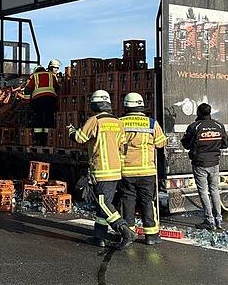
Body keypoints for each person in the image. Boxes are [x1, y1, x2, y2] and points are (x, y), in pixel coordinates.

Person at [70, 90, 136, 249]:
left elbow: (80, 138)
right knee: (103, 205)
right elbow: (122, 146)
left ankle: (125, 231)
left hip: (101, 169)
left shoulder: (95, 121)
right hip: (115, 170)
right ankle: (99, 236)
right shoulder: (118, 122)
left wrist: (71, 130)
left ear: (95, 104)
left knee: (103, 203)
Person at [119, 93, 167, 245]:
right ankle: (151, 236)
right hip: (147, 171)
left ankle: (129, 233)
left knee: (128, 202)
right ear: (141, 106)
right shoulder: (151, 124)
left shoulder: (119, 123)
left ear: (126, 106)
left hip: (126, 170)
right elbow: (160, 143)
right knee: (147, 202)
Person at [181, 102, 228, 231]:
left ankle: (209, 220)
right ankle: (219, 219)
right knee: (214, 190)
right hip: (214, 162)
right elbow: (225, 144)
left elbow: (186, 144)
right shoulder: (219, 126)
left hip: (200, 163)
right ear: (210, 112)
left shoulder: (195, 127)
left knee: (203, 191)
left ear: (198, 113)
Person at [24, 60, 60, 146]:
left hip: (38, 100)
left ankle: (39, 140)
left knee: (38, 119)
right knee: (49, 118)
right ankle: (48, 140)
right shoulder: (51, 76)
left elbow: (27, 90)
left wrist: (27, 103)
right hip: (51, 100)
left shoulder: (34, 76)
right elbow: (57, 87)